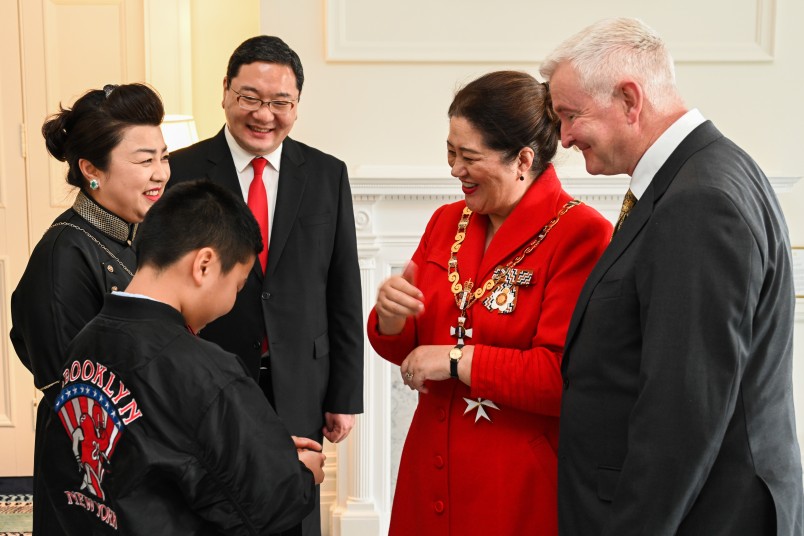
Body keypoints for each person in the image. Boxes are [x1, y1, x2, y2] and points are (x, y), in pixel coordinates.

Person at [540, 17, 804, 535]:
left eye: (570, 116)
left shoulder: (699, 201)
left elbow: (683, 411)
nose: (565, 137)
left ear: (629, 100)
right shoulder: (701, 172)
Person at [367, 71, 612, 535]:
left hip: (515, 486)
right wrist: (391, 318)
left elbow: (563, 378)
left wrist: (457, 360)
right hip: (428, 468)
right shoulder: (446, 221)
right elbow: (410, 353)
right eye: (450, 152)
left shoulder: (581, 236)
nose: (454, 169)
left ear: (523, 159)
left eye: (468, 156)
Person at [40, 180, 326, 535]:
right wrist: (298, 474)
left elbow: (159, 444)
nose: (231, 302)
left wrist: (264, 448)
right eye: (236, 286)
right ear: (204, 264)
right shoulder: (205, 370)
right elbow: (266, 505)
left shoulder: (87, 339)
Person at [167, 35, 363, 535]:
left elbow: (343, 289)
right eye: (251, 98)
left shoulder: (326, 174)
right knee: (210, 504)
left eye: (281, 102)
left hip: (298, 379)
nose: (264, 114)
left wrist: (344, 393)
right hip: (209, 375)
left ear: (297, 104)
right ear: (226, 93)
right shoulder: (181, 171)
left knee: (292, 508)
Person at [9, 83, 169, 536]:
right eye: (144, 160)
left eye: (163, 156)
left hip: (138, 461)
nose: (160, 173)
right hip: (88, 472)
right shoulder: (64, 253)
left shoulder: (137, 237)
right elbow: (75, 394)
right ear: (91, 169)